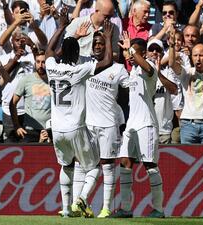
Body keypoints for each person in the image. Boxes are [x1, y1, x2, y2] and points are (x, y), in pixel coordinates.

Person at [45, 8, 113, 218]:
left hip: (56, 128)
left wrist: (64, 28)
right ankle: (81, 200)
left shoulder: (51, 66)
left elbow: (49, 51)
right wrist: (108, 39)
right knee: (93, 168)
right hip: (76, 127)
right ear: (76, 54)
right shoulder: (78, 71)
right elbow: (107, 62)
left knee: (66, 166)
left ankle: (66, 209)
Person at [112, 37, 164, 218]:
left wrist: (131, 50)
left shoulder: (149, 66)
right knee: (125, 163)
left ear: (142, 52)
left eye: (134, 51)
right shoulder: (133, 71)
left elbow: (148, 68)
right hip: (132, 124)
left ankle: (158, 208)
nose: (130, 54)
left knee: (150, 164)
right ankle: (126, 209)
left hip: (146, 123)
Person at [83, 31, 129, 218]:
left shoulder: (118, 69)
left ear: (108, 44)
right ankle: (81, 203)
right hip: (88, 124)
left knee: (108, 166)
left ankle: (106, 207)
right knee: (84, 166)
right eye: (95, 42)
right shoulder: (87, 66)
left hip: (109, 124)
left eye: (101, 42)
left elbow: (130, 89)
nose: (97, 45)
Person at [0, 31, 35, 142]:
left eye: (22, 40)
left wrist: (33, 45)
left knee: (29, 144)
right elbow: (1, 74)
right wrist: (15, 59)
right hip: (8, 110)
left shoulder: (32, 57)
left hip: (28, 110)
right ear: (12, 41)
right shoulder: (4, 58)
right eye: (17, 40)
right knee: (9, 142)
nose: (20, 43)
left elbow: (42, 59)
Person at [9, 50, 51, 142]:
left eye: (43, 62)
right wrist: (17, 126)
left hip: (50, 130)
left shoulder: (53, 79)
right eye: (38, 62)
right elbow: (12, 103)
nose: (40, 65)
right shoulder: (26, 80)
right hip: (31, 130)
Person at [146, 38, 178, 144]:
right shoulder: (139, 71)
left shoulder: (169, 71)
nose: (154, 52)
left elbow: (174, 90)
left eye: (157, 49)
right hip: (145, 128)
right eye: (151, 49)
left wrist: (158, 74)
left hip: (163, 131)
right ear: (146, 53)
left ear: (162, 53)